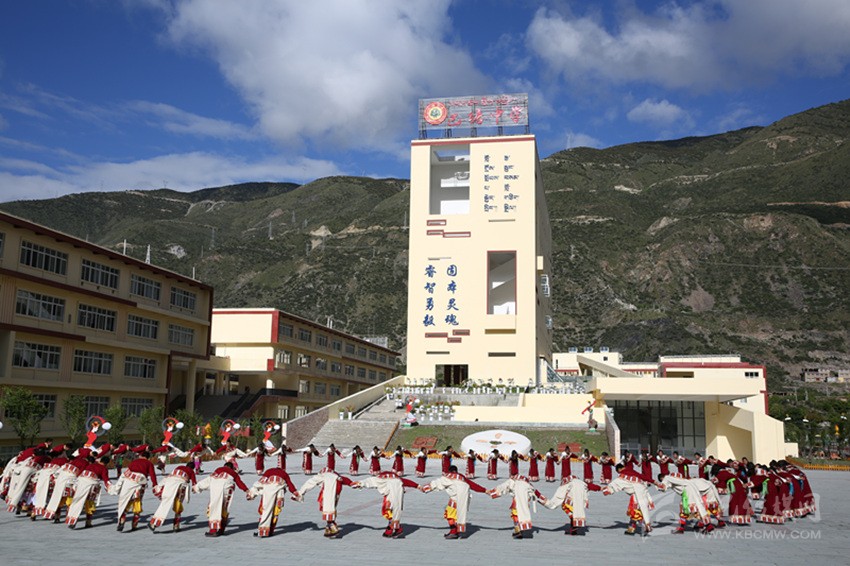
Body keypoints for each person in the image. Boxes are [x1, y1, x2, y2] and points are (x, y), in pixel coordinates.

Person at [420, 465, 488, 539]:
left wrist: (425, 488)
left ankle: (453, 532)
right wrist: (485, 490)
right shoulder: (461, 477)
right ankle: (456, 531)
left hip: (455, 499)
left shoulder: (448, 476)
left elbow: (437, 483)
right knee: (457, 516)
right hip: (464, 499)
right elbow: (473, 485)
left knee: (450, 516)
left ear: (449, 471)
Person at [193, 461, 254, 537]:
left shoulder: (218, 470)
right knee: (224, 508)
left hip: (216, 488)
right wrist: (247, 490)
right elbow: (239, 483)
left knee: (214, 508)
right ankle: (221, 529)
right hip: (227, 489)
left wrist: (196, 487)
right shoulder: (233, 473)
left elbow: (208, 480)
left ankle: (213, 530)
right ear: (232, 468)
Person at [354, 470, 420, 538]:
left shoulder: (380, 479)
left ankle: (395, 527)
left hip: (394, 490)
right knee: (392, 509)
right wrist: (418, 486)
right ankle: (393, 527)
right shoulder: (396, 479)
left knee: (388, 510)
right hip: (397, 490)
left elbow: (370, 481)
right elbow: (407, 482)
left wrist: (359, 483)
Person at [297, 467, 356, 538]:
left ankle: (332, 525)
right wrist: (351, 483)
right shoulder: (336, 475)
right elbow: (344, 479)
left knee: (327, 507)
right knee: (332, 507)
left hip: (330, 489)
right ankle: (329, 526)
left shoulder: (322, 475)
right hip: (337, 489)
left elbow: (310, 482)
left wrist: (300, 493)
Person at [601, 464, 655, 536]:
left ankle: (640, 527)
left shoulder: (623, 475)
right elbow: (643, 477)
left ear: (619, 469)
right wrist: (655, 482)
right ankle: (642, 526)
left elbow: (616, 483)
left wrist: (607, 490)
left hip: (636, 495)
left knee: (634, 511)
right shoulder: (633, 472)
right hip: (643, 493)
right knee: (641, 511)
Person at [114, 449, 158, 531]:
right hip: (140, 482)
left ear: (141, 456)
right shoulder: (149, 463)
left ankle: (122, 520)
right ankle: (134, 524)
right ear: (148, 458)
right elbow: (152, 475)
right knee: (137, 501)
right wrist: (155, 484)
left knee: (126, 501)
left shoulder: (134, 461)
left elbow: (128, 471)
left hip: (129, 480)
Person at [249, 467, 300, 538]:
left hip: (268, 491)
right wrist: (295, 492)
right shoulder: (284, 474)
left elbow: (260, 482)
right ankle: (270, 531)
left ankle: (263, 531)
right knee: (275, 513)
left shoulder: (269, 471)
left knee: (265, 511)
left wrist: (251, 493)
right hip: (279, 494)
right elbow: (290, 485)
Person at [66, 455, 113, 529]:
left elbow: (81, 473)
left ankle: (72, 521)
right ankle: (88, 522)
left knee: (77, 501)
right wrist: (110, 487)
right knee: (89, 504)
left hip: (81, 484)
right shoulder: (104, 469)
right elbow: (106, 479)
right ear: (106, 463)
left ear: (100, 460)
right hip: (91, 486)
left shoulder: (90, 465)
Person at [149, 461, 197, 532]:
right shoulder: (191, 471)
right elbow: (194, 483)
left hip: (170, 483)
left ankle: (154, 523)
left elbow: (171, 474)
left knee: (165, 503)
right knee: (178, 505)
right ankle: (176, 525)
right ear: (193, 468)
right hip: (180, 486)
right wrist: (195, 489)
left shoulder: (179, 467)